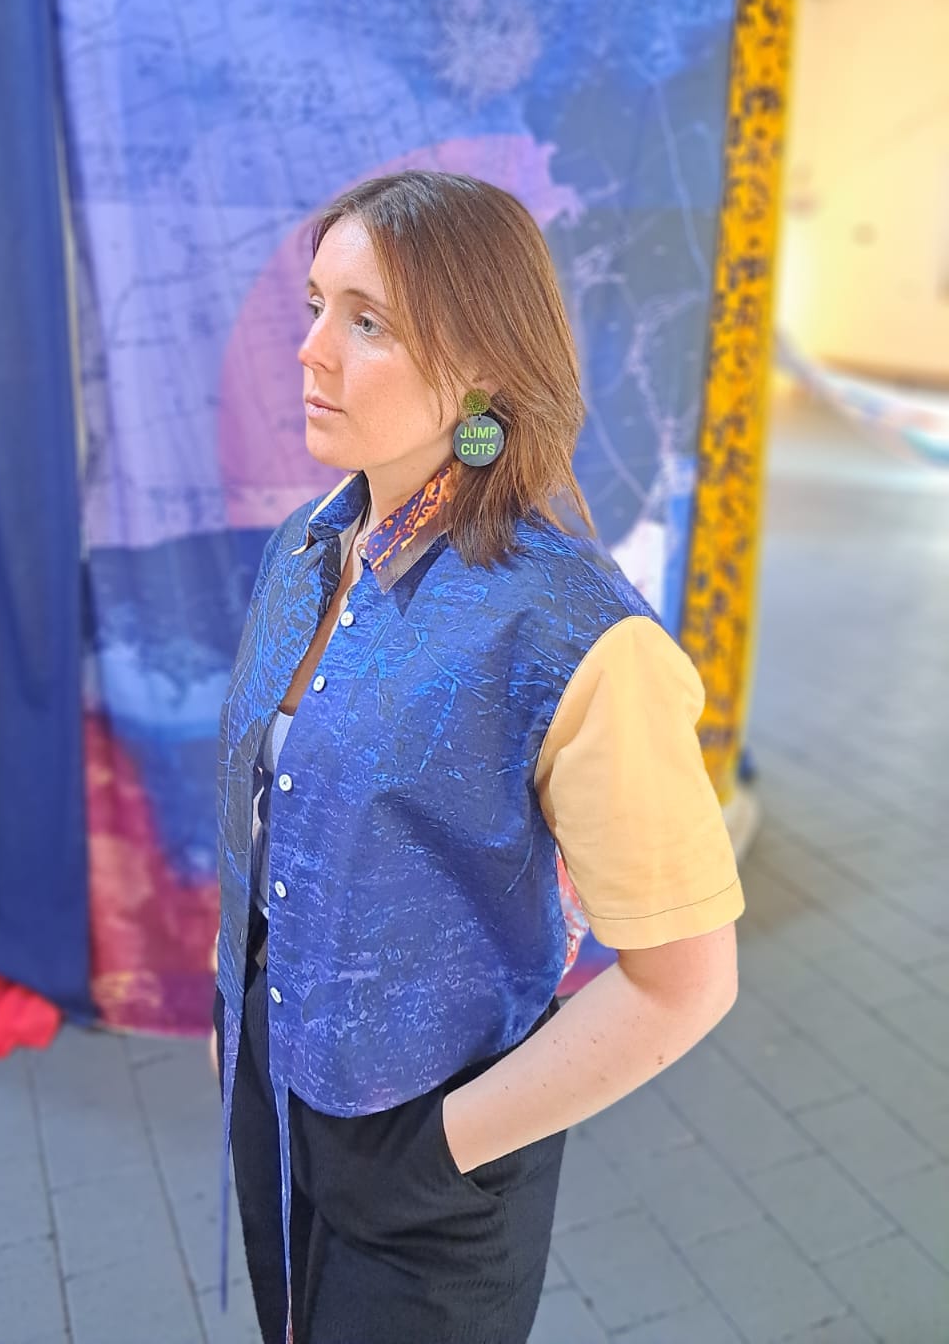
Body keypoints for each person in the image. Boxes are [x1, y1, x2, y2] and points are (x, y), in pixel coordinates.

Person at [209, 169, 744, 1344]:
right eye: (314, 306)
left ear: (485, 368)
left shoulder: (577, 634)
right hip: (276, 1097)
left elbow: (686, 981)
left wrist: (441, 1151)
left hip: (438, 1159)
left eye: (368, 322)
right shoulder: (309, 548)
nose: (310, 350)